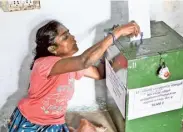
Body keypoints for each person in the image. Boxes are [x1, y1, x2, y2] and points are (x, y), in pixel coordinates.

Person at [7, 20, 140, 132]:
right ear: (53, 49)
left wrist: (120, 61)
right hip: (32, 122)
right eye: (65, 37)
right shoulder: (44, 64)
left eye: (69, 33)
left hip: (55, 123)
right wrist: (116, 34)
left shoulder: (71, 65)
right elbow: (84, 61)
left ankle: (83, 127)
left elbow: (99, 73)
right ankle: (83, 127)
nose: (73, 37)